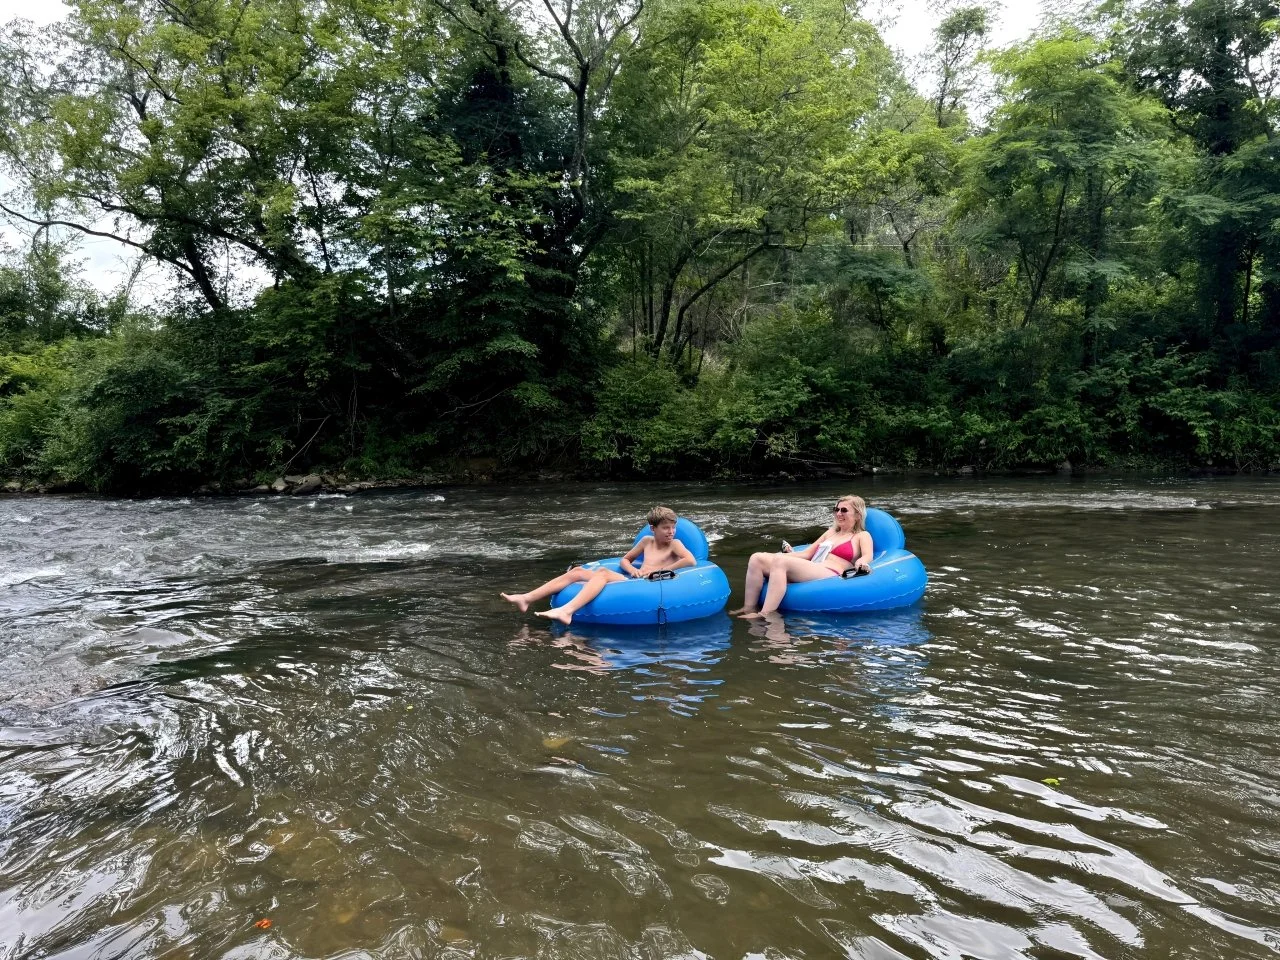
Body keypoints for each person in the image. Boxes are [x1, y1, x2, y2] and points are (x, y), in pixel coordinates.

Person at [501, 505, 697, 625]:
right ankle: (527, 598)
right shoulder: (646, 541)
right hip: (634, 579)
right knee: (577, 571)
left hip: (650, 584)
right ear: (653, 529)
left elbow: (690, 560)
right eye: (665, 528)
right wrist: (632, 570)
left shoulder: (675, 544)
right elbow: (624, 560)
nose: (671, 531)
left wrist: (660, 570)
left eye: (673, 527)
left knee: (602, 573)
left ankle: (566, 611)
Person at [732, 494, 873, 620]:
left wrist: (861, 563)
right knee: (757, 558)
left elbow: (867, 555)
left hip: (831, 572)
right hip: (814, 566)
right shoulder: (830, 533)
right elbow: (807, 554)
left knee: (781, 562)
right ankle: (748, 607)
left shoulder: (861, 535)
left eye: (844, 510)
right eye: (836, 509)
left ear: (857, 515)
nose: (838, 514)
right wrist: (775, 556)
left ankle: (766, 613)